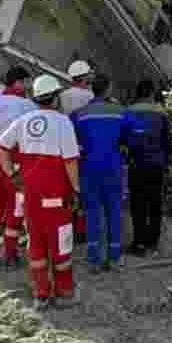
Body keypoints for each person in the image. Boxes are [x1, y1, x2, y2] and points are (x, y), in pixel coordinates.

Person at [0, 74, 81, 311]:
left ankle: (41, 295)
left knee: (37, 248)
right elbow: (70, 162)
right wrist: (77, 190)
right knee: (61, 248)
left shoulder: (23, 121)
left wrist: (12, 174)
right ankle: (64, 293)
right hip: (57, 201)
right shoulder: (63, 122)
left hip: (31, 199)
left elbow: (0, 146)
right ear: (54, 98)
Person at [70, 73, 131, 272]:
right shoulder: (121, 112)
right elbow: (128, 139)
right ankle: (113, 258)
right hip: (113, 168)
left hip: (89, 169)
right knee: (114, 211)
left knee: (92, 213)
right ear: (108, 89)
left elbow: (74, 143)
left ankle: (94, 259)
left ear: (91, 89)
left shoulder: (79, 114)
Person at [0, 66, 36, 269]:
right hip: (16, 160)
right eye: (27, 81)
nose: (29, 85)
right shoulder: (29, 106)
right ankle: (11, 255)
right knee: (15, 208)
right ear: (19, 82)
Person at [123, 80, 172, 256]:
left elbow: (122, 139)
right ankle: (153, 242)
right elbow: (168, 142)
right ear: (152, 93)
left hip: (136, 165)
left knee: (138, 204)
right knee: (155, 203)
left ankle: (139, 244)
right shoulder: (161, 113)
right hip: (156, 165)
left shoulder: (127, 112)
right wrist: (168, 162)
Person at [59, 59, 96, 242]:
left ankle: (69, 227)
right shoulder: (90, 97)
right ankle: (82, 231)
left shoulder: (63, 96)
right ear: (85, 76)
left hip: (66, 148)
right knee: (84, 190)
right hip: (88, 148)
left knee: (69, 188)